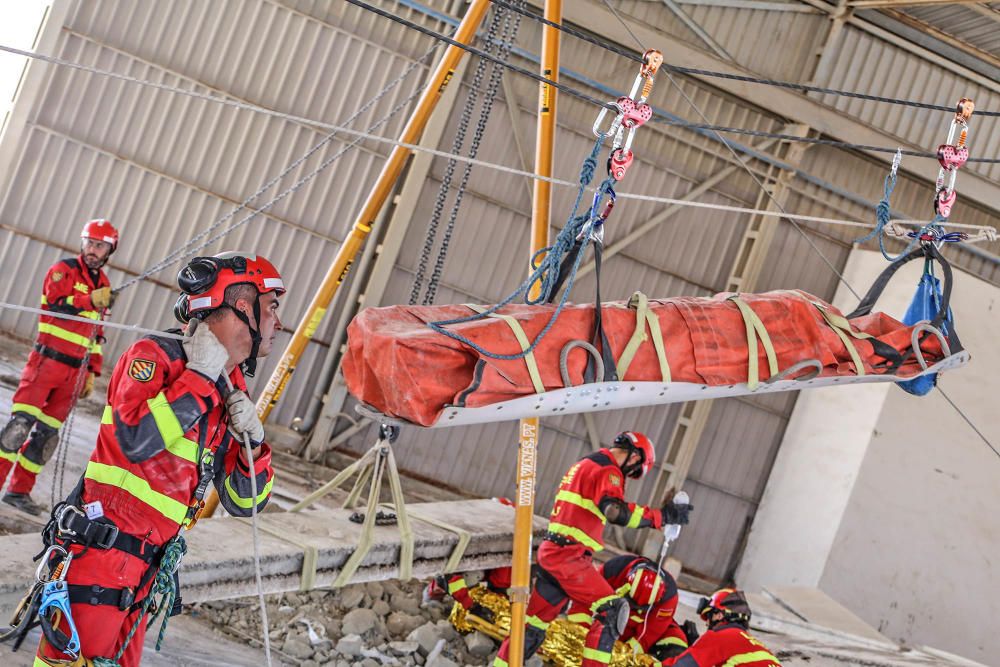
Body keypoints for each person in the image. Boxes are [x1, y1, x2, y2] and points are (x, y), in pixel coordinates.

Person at [34, 251, 285, 667]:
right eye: (272, 307)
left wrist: (254, 446)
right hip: (101, 559)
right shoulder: (156, 357)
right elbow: (136, 439)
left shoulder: (230, 388)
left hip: (144, 573)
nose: (278, 321)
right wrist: (199, 379)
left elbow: (246, 504)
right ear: (244, 306)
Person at [493, 431, 693, 667]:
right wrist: (660, 517)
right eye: (634, 470)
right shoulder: (609, 471)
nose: (629, 475)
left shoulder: (584, 464)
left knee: (532, 627)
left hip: (555, 552)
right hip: (569, 558)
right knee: (613, 609)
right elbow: (614, 511)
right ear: (635, 457)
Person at [0, 220, 119, 515]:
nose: (93, 250)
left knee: (46, 437)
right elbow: (53, 305)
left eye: (99, 245)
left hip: (74, 373)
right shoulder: (62, 271)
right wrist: (89, 299)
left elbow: (97, 334)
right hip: (46, 362)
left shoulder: (103, 285)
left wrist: (92, 370)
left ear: (109, 250)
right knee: (19, 428)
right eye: (89, 243)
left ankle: (18, 492)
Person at [566, 555, 698, 661]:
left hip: (648, 629)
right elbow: (583, 600)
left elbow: (650, 632)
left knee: (677, 645)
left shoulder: (668, 598)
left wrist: (625, 656)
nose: (637, 609)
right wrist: (579, 632)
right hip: (613, 621)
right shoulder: (613, 570)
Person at [662, 588, 781, 667]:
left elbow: (682, 666)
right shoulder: (754, 645)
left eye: (709, 617)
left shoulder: (721, 635)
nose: (707, 623)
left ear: (719, 614)